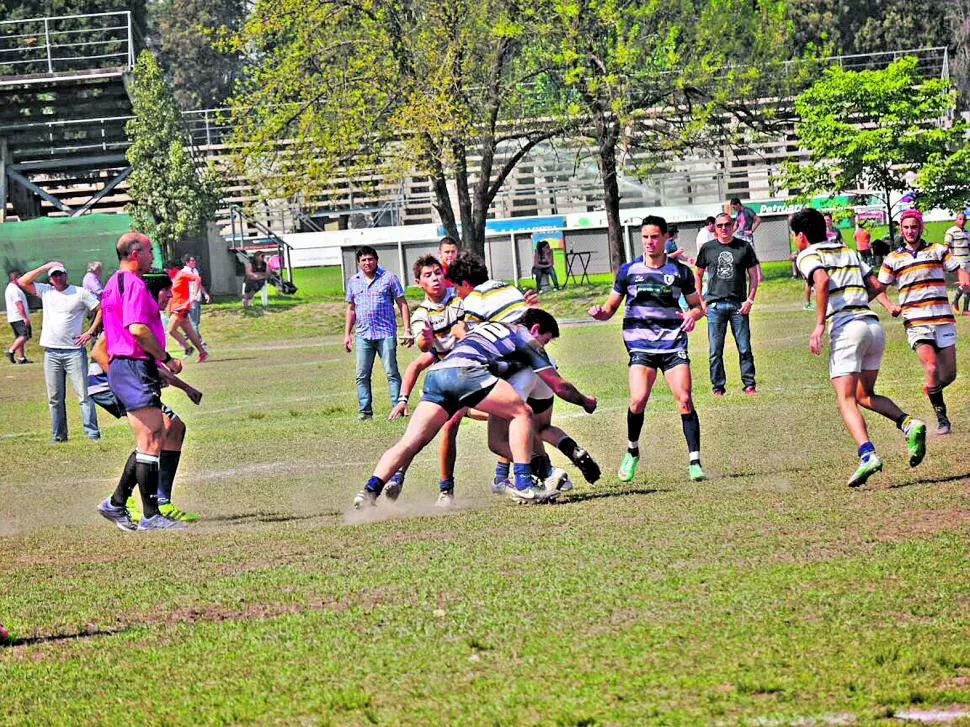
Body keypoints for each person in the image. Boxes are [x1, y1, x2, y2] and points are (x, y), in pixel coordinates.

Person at [354, 309, 597, 508]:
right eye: (545, 340)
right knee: (522, 412)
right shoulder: (526, 337)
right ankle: (524, 484)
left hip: (438, 374)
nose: (544, 346)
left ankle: (369, 491)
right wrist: (585, 401)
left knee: (409, 442)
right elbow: (559, 385)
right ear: (535, 330)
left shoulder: (492, 327)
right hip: (466, 373)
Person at [792, 208, 926, 488]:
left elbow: (822, 281)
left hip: (847, 329)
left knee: (846, 399)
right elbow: (876, 285)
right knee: (865, 394)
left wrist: (819, 325)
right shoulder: (847, 250)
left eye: (795, 235)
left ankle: (867, 454)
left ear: (802, 236)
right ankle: (908, 423)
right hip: (872, 326)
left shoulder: (808, 254)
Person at [588, 214, 706, 483]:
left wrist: (692, 315)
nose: (649, 242)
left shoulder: (680, 272)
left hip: (672, 342)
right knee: (638, 400)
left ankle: (695, 461)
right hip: (640, 344)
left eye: (655, 236)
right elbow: (610, 309)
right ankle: (632, 451)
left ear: (666, 237)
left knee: (685, 399)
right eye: (645, 237)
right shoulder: (628, 271)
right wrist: (599, 313)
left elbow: (698, 307)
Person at [89, 272, 202, 522]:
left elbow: (153, 362)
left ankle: (148, 500)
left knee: (172, 428)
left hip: (127, 381)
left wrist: (184, 387)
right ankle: (131, 503)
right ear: (150, 291)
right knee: (157, 430)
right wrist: (124, 381)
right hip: (105, 384)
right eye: (166, 290)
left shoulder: (147, 316)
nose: (170, 296)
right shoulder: (133, 314)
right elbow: (98, 350)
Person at [96, 232, 187, 531]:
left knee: (154, 436)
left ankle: (116, 503)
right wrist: (166, 358)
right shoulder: (133, 283)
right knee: (151, 439)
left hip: (128, 367)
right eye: (149, 251)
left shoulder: (112, 283)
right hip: (133, 365)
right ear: (135, 253)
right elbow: (136, 329)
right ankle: (149, 515)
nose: (153, 257)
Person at [872, 209, 970, 435]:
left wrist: (965, 283)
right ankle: (941, 417)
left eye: (913, 227)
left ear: (921, 227)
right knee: (931, 367)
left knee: (949, 375)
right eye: (905, 227)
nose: (909, 231)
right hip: (916, 321)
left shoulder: (938, 250)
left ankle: (932, 388)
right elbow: (879, 289)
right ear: (900, 229)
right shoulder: (893, 258)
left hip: (943, 320)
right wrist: (890, 306)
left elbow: (959, 270)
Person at [17, 261, 101, 442]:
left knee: (83, 395)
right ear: (50, 279)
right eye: (54, 275)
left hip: (74, 352)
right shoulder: (46, 291)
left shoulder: (80, 293)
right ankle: (59, 435)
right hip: (51, 353)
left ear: (66, 275)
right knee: (54, 397)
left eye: (60, 274)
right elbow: (22, 282)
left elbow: (100, 308)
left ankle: (92, 433)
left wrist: (90, 332)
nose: (58, 277)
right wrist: (44, 267)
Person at [694, 212, 761, 396]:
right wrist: (701, 302)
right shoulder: (707, 248)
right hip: (714, 306)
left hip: (739, 306)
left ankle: (749, 384)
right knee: (715, 351)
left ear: (733, 226)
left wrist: (750, 300)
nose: (723, 228)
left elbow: (754, 276)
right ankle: (718, 387)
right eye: (720, 225)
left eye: (727, 225)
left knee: (744, 347)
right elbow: (698, 275)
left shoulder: (744, 247)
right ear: (715, 228)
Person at [344, 246, 412, 420]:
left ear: (376, 259)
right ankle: (365, 412)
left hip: (386, 333)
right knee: (361, 375)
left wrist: (407, 329)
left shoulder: (389, 278)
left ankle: (397, 409)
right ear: (358, 263)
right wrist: (347, 334)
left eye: (370, 259)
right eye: (364, 260)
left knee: (391, 372)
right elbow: (351, 309)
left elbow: (403, 304)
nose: (368, 262)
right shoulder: (354, 281)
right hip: (363, 335)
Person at [167, 261, 208, 362]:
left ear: (172, 269)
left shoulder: (181, 274)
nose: (166, 272)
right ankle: (202, 352)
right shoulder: (173, 278)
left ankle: (188, 348)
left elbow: (197, 278)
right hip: (176, 308)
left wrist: (194, 295)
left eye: (167, 270)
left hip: (181, 308)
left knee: (171, 330)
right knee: (190, 333)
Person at [944, 212, 970, 314]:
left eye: (963, 219)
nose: (962, 221)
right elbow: (946, 247)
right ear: (955, 220)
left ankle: (965, 309)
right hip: (958, 261)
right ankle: (954, 303)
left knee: (968, 285)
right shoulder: (951, 231)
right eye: (959, 219)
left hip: (967, 261)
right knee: (965, 284)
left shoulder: (967, 232)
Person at [5, 270, 32, 364]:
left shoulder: (11, 288)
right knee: (25, 336)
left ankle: (21, 358)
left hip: (14, 317)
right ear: (16, 279)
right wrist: (24, 317)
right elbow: (19, 304)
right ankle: (10, 351)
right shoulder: (14, 289)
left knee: (19, 337)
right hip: (18, 317)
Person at [181, 254, 211, 335]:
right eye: (192, 260)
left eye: (194, 260)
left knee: (196, 321)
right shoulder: (184, 272)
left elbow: (199, 284)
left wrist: (205, 294)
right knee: (194, 322)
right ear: (187, 262)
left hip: (197, 298)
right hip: (190, 299)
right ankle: (199, 341)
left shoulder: (195, 271)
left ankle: (185, 336)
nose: (194, 262)